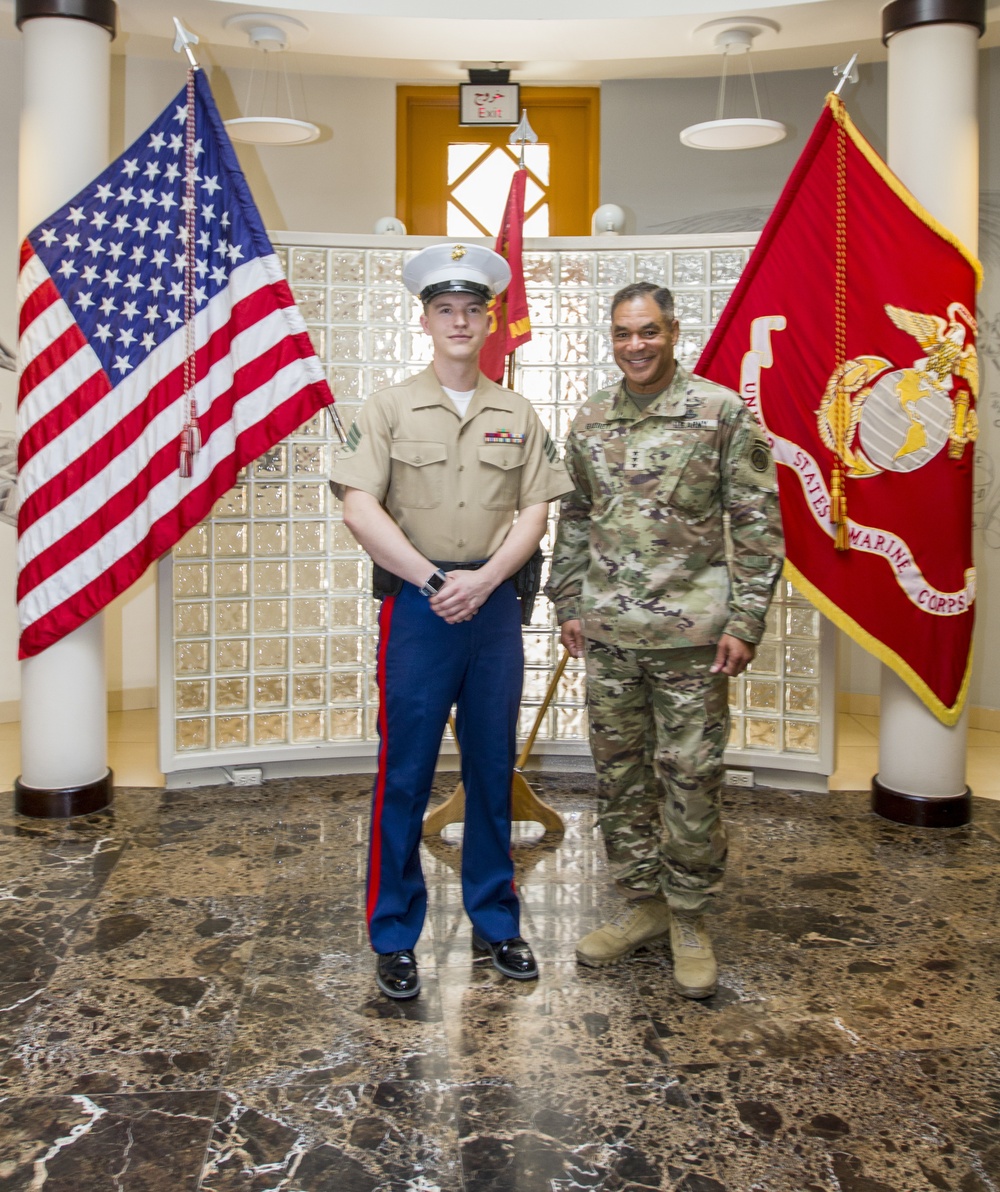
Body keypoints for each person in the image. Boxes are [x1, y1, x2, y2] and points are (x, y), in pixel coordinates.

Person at [329, 242, 573, 1001]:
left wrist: (489, 578)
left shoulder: (518, 412)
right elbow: (358, 504)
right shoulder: (389, 408)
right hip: (419, 608)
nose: (460, 321)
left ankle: (497, 920)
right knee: (403, 774)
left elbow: (535, 510)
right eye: (446, 309)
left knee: (493, 768)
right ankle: (394, 932)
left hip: (493, 609)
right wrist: (436, 579)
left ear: (489, 319)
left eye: (473, 309)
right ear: (426, 320)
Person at [544, 281, 784, 998]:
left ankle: (689, 915)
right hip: (611, 637)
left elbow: (756, 523)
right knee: (619, 779)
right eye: (622, 333)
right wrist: (568, 602)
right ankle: (644, 904)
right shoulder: (590, 419)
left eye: (647, 331)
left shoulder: (719, 412)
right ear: (611, 338)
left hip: (692, 641)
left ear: (672, 331)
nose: (635, 345)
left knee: (689, 779)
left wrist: (746, 620)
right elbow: (578, 518)